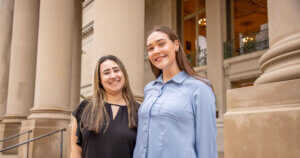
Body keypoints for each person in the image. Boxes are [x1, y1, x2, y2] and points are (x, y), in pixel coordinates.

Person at [133, 26, 217, 158]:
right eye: (150, 48)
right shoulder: (149, 89)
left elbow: (207, 146)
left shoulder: (200, 88)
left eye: (161, 44)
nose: (156, 51)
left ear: (176, 45)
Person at [71, 55, 139, 158]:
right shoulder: (84, 109)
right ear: (100, 80)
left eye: (116, 70)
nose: (113, 76)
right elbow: (75, 150)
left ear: (124, 74)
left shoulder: (138, 111)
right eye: (106, 73)